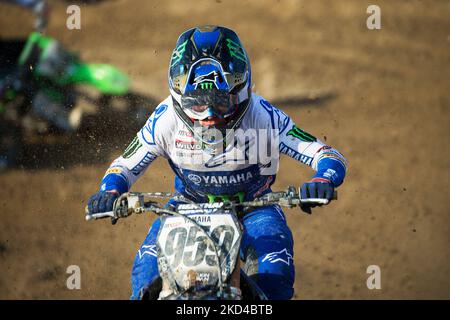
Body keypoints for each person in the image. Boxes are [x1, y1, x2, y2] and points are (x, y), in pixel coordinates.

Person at [87, 25, 348, 300]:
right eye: (198, 105)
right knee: (145, 277)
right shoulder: (166, 118)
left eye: (221, 103)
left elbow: (329, 155)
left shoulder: (263, 116)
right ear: (179, 95)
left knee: (275, 280)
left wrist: (323, 179)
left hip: (254, 210)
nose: (210, 115)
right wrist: (110, 191)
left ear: (242, 90)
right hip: (185, 208)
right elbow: (124, 165)